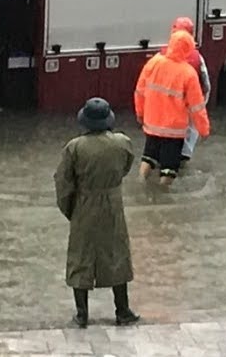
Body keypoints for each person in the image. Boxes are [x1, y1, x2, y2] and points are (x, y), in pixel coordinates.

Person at [53, 97, 140, 328]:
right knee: (117, 254)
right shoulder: (123, 142)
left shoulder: (75, 148)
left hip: (84, 204)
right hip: (113, 204)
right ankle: (123, 311)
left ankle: (82, 315)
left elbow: (63, 182)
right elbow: (125, 168)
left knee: (81, 257)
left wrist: (70, 209)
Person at [135, 28, 210, 186]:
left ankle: (140, 184)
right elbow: (197, 106)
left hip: (152, 124)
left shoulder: (153, 63)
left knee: (148, 157)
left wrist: (140, 113)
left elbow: (140, 91)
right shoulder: (188, 73)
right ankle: (161, 197)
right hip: (173, 130)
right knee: (169, 169)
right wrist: (203, 129)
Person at [166, 17, 211, 167]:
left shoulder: (161, 57)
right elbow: (206, 87)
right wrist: (202, 125)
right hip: (189, 110)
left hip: (168, 113)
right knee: (183, 155)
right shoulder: (197, 58)